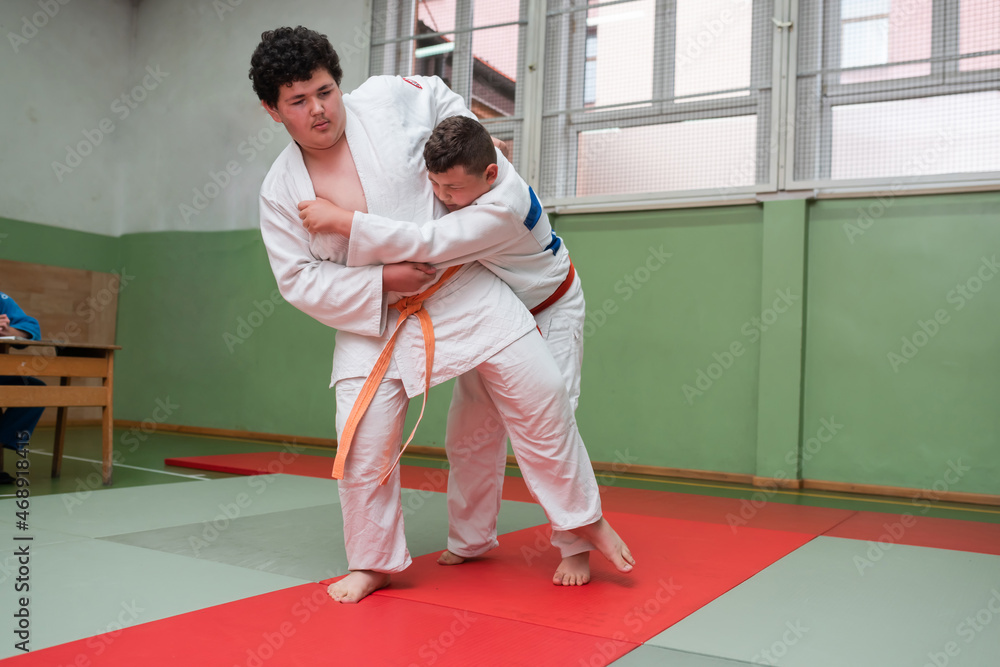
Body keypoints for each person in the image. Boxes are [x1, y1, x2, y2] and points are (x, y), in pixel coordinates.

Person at [250, 26, 633, 602]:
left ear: (338, 84)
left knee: (542, 392)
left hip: (457, 284)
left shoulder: (386, 98)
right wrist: (385, 281)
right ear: (273, 110)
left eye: (325, 91)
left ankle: (581, 520)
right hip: (374, 314)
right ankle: (373, 561)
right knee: (362, 441)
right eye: (298, 101)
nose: (319, 110)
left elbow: (439, 95)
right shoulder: (280, 190)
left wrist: (474, 145)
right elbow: (298, 280)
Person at [301, 116, 599, 583]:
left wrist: (341, 220)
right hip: (496, 312)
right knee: (469, 433)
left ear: (490, 174)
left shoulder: (501, 208)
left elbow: (427, 242)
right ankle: (471, 539)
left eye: (453, 188)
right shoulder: (481, 165)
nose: (443, 197)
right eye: (436, 184)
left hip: (550, 310)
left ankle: (576, 546)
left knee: (551, 426)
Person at [0, 291, 45, 484]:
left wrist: (10, 331)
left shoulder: (1, 299)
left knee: (35, 391)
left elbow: (32, 328)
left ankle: (3, 440)